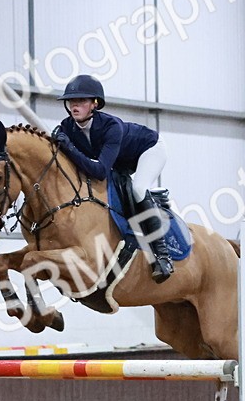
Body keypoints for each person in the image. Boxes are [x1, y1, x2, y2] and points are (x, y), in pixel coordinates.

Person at [51, 74, 174, 283]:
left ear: (94, 104)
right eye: (71, 101)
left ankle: (162, 255)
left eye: (80, 101)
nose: (74, 106)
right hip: (119, 161)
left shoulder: (111, 126)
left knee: (138, 188)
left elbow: (99, 170)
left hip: (148, 149)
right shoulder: (67, 127)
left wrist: (69, 147)